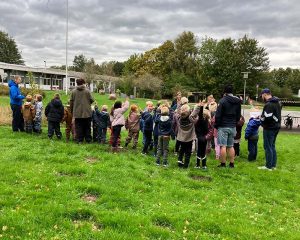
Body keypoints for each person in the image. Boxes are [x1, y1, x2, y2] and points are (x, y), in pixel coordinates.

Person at [215, 85, 242, 168]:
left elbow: (218, 115)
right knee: (230, 146)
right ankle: (231, 163)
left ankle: (223, 164)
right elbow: (238, 115)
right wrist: (235, 122)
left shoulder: (222, 101)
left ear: (225, 92)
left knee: (223, 146)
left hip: (223, 126)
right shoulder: (237, 101)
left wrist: (216, 124)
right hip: (232, 126)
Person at [258, 88, 281, 171]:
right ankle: (273, 165)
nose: (262, 98)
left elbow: (267, 117)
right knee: (272, 146)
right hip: (276, 126)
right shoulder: (277, 102)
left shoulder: (269, 104)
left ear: (265, 94)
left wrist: (260, 119)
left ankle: (268, 166)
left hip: (269, 128)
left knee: (268, 146)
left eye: (262, 96)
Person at [173, 103, 200, 168]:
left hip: (181, 138)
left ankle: (179, 161)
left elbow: (177, 112)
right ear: (189, 112)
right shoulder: (191, 119)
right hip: (189, 138)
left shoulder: (179, 118)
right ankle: (186, 164)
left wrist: (179, 103)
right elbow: (195, 117)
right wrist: (198, 107)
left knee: (182, 150)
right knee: (188, 152)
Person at [70, 78, 94, 144]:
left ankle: (79, 140)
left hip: (77, 112)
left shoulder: (73, 91)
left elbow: (71, 102)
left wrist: (72, 111)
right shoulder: (87, 91)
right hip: (87, 112)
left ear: (77, 83)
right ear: (83, 83)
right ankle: (88, 140)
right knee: (87, 127)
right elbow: (92, 100)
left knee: (78, 127)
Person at [195, 103, 210, 169]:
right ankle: (204, 165)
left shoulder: (200, 121)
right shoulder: (207, 121)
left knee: (199, 151)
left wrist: (201, 107)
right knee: (203, 151)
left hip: (199, 138)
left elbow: (200, 115)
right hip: (205, 138)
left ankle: (198, 165)